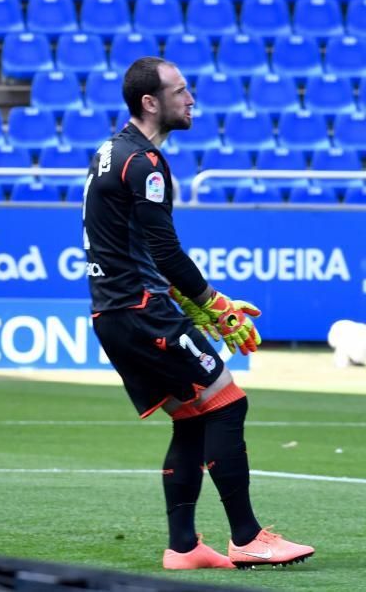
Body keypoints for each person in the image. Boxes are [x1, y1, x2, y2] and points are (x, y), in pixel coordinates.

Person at [82, 57, 314, 570]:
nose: (191, 100)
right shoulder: (144, 163)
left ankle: (183, 547)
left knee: (191, 416)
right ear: (151, 101)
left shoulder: (108, 152)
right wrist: (215, 305)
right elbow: (165, 253)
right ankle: (248, 537)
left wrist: (192, 303)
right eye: (181, 91)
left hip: (115, 314)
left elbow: (132, 247)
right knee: (226, 402)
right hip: (142, 312)